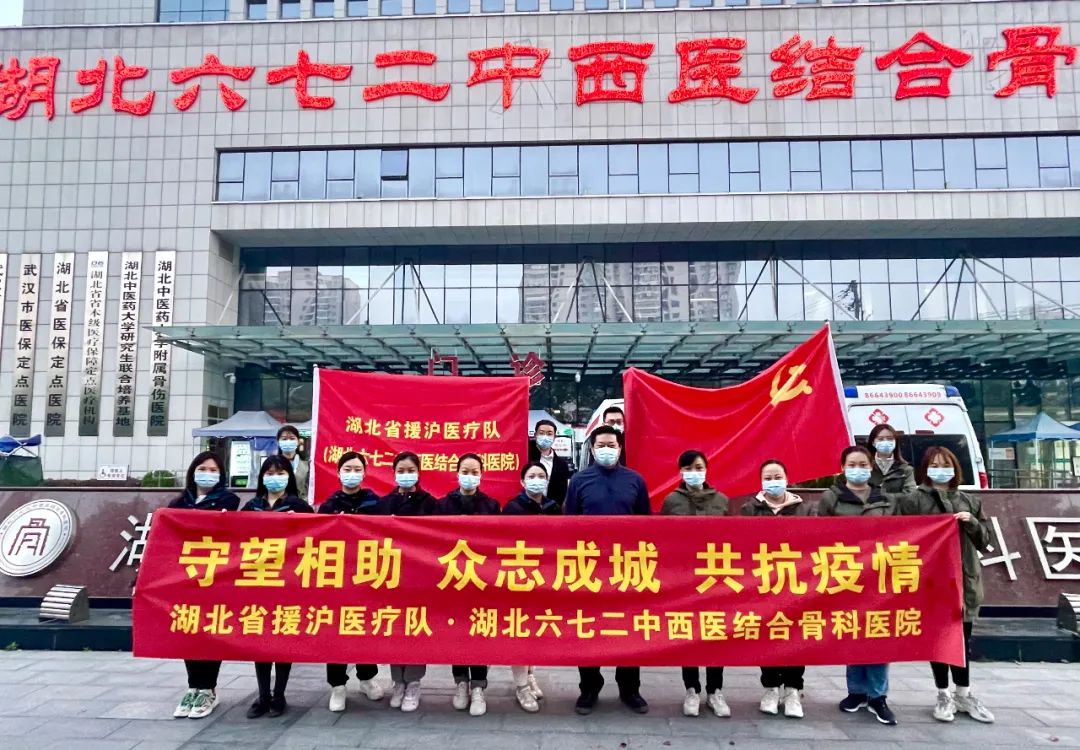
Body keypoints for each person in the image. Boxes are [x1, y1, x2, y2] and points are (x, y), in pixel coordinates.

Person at [899, 446, 995, 724]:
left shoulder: (969, 500)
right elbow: (902, 536)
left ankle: (964, 693)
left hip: (964, 579)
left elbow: (985, 541)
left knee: (962, 639)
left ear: (955, 468)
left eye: (946, 465)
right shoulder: (913, 500)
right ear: (925, 469)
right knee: (939, 639)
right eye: (935, 465)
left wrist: (971, 522)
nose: (941, 470)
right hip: (931, 580)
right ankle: (943, 694)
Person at [564, 425, 651, 715]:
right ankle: (589, 687)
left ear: (620, 447)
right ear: (591, 449)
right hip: (589, 568)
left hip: (627, 567)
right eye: (600, 445)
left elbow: (646, 524)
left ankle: (630, 688)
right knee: (588, 629)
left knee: (629, 629)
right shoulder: (579, 481)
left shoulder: (635, 480)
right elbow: (569, 523)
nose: (606, 450)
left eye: (611, 445)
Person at [816, 446, 898, 726]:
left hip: (879, 577)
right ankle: (856, 692)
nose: (858, 469)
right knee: (852, 631)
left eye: (863, 464)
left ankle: (878, 696)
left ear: (871, 467)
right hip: (846, 576)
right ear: (842, 468)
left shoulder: (885, 499)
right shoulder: (831, 497)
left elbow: (902, 533)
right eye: (852, 464)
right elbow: (818, 535)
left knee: (877, 632)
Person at [169, 451, 241, 721]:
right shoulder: (178, 503)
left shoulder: (228, 501)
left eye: (213, 470)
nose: (207, 474)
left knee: (210, 631)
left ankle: (208, 688)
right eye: (202, 468)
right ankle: (193, 687)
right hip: (185, 578)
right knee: (188, 630)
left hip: (214, 577)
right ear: (193, 471)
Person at [660, 450, 731, 719]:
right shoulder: (671, 501)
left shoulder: (721, 500)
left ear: (706, 469)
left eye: (699, 467)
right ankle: (691, 689)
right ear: (681, 472)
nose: (694, 472)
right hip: (684, 580)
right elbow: (663, 540)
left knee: (716, 634)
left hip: (716, 578)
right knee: (688, 634)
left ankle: (715, 691)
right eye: (688, 468)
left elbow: (735, 539)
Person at [240, 455, 312, 719]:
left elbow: (317, 536)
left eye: (280, 473)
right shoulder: (252, 506)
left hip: (288, 583)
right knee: (259, 640)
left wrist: (300, 522)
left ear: (289, 477)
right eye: (269, 473)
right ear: (262, 477)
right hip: (258, 583)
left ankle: (279, 695)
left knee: (282, 639)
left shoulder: (299, 506)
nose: (274, 478)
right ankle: (262, 696)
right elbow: (234, 538)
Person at [740, 459, 811, 719]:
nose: (773, 481)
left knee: (797, 636)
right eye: (768, 477)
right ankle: (770, 687)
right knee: (767, 634)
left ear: (787, 478)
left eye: (777, 476)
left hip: (797, 583)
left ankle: (793, 689)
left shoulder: (804, 509)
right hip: (763, 584)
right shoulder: (750, 509)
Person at [319, 451, 385, 712]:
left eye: (357, 469)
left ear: (365, 473)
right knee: (336, 631)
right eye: (347, 469)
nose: (352, 473)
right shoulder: (329, 506)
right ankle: (337, 685)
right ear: (338, 472)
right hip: (337, 578)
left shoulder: (375, 503)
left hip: (368, 576)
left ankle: (367, 678)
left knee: (364, 627)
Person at [436, 454, 501, 717]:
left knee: (480, 630)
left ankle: (478, 686)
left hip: (481, 579)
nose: (469, 476)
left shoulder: (491, 505)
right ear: (457, 473)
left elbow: (498, 542)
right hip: (451, 579)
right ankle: (461, 682)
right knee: (458, 631)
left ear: (482, 474)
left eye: (474, 472)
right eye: (465, 471)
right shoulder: (442, 505)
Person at [380, 451, 437, 712]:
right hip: (391, 576)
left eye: (410, 470)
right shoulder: (384, 503)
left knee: (416, 628)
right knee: (394, 628)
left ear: (419, 472)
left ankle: (413, 682)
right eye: (401, 471)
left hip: (420, 578)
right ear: (393, 474)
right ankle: (398, 682)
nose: (406, 475)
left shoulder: (430, 503)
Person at [503, 461, 560, 713]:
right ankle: (521, 686)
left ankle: (530, 674)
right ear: (522, 481)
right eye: (531, 476)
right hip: (519, 578)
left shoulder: (554, 507)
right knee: (519, 631)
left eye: (541, 476)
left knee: (536, 631)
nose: (536, 480)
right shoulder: (512, 508)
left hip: (545, 578)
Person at [528, 419, 571, 505]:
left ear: (555, 437)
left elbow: (562, 492)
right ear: (535, 435)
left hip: (550, 509)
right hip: (525, 507)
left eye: (549, 434)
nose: (545, 437)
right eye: (541, 433)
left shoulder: (561, 465)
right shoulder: (526, 455)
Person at [867, 423, 916, 497]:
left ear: (895, 442)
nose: (885, 442)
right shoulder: (866, 468)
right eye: (880, 439)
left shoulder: (905, 469)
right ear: (873, 442)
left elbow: (910, 496)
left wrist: (884, 498)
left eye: (889, 438)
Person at [277, 424, 310, 500]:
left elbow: (310, 489)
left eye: (292, 438)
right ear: (278, 442)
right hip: (278, 504)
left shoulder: (307, 465)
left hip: (301, 503)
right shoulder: (271, 464)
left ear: (298, 442)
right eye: (284, 439)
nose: (288, 441)